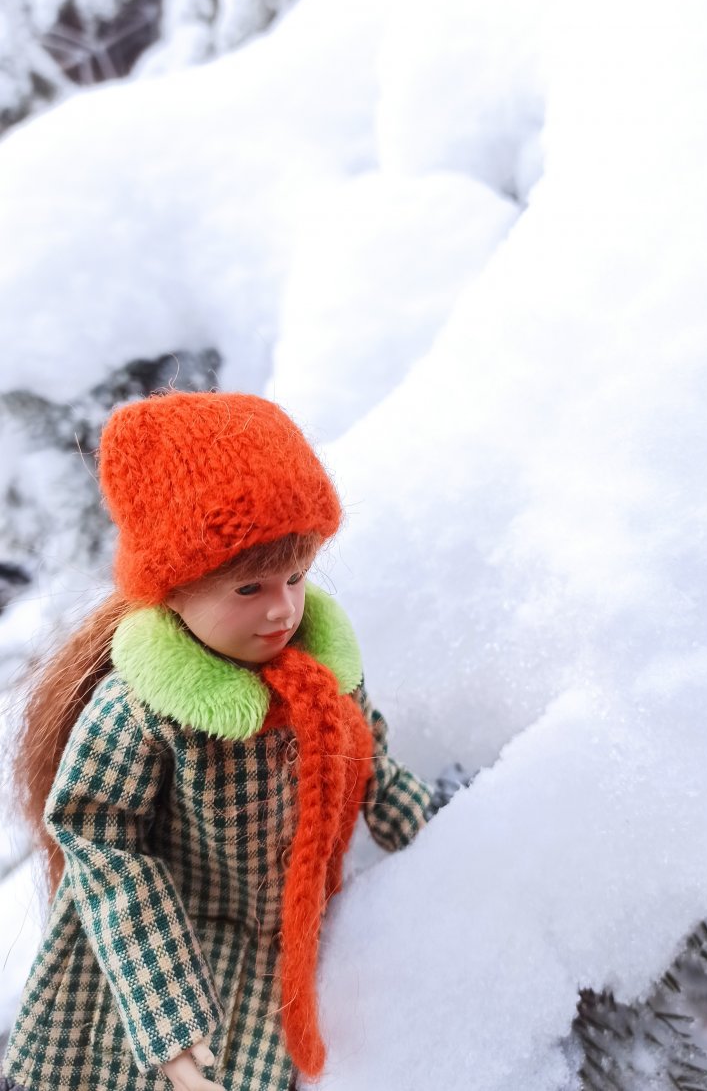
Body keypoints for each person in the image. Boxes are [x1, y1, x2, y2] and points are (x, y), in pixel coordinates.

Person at [1, 391, 435, 1091]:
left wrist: (450, 845)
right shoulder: (143, 712)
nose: (282, 609)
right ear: (171, 592)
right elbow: (99, 840)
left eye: (296, 576)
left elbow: (370, 763)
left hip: (296, 950)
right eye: (247, 589)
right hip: (175, 947)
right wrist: (171, 1029)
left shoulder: (323, 676)